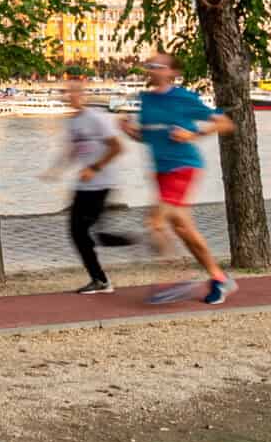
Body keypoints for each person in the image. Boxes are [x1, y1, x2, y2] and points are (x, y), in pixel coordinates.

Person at [121, 50, 235, 305]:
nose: (154, 70)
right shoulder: (147, 101)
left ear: (172, 73)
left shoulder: (183, 98)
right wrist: (129, 131)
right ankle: (219, 278)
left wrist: (192, 135)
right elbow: (146, 137)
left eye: (160, 66)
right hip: (160, 171)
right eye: (151, 66)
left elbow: (225, 123)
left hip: (183, 167)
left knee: (155, 222)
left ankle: (176, 280)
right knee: (183, 228)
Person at [57, 74, 135, 293]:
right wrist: (56, 169)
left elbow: (118, 147)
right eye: (67, 92)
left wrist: (94, 168)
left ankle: (136, 244)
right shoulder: (72, 121)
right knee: (79, 232)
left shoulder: (96, 118)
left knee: (86, 233)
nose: (71, 96)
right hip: (83, 185)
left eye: (75, 92)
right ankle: (100, 278)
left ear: (83, 95)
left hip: (102, 183)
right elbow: (74, 149)